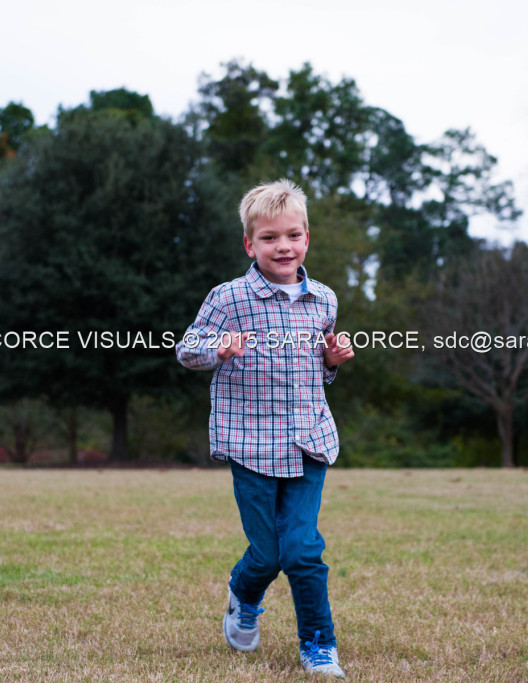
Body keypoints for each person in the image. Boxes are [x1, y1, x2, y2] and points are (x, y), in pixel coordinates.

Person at [176, 179, 354, 678]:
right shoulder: (228, 299)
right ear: (251, 245)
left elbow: (316, 369)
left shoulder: (323, 300)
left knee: (303, 551)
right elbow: (186, 350)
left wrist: (331, 358)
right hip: (250, 444)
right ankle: (244, 593)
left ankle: (320, 645)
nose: (284, 246)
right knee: (268, 554)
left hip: (309, 440)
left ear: (307, 239)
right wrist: (218, 349)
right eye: (271, 238)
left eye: (293, 236)